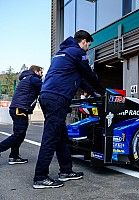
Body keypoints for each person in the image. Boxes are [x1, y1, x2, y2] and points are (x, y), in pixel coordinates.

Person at [33, 30, 104, 189]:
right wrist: (104, 92)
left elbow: (80, 81)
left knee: (60, 136)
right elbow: (90, 76)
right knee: (50, 137)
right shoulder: (77, 53)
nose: (88, 48)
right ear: (84, 41)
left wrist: (94, 93)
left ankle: (66, 170)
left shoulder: (62, 54)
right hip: (57, 98)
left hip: (46, 96)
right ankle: (40, 177)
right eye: (88, 45)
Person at [0, 65, 43, 164]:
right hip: (20, 109)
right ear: (36, 71)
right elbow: (46, 87)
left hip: (17, 108)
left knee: (19, 134)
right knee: (19, 134)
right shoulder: (34, 79)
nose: (42, 75)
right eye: (41, 72)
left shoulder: (26, 78)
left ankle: (14, 156)